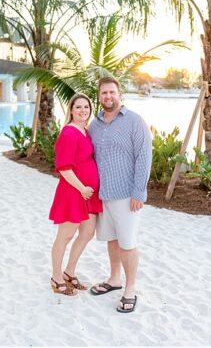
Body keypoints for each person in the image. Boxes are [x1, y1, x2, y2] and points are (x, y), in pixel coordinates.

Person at [87, 77, 152, 314]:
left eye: (112, 92)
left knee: (127, 243)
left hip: (127, 195)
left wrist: (139, 192)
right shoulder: (94, 125)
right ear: (99, 96)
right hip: (103, 195)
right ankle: (114, 279)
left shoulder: (135, 122)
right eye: (104, 93)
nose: (108, 96)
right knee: (112, 240)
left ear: (119, 94)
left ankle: (130, 288)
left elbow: (144, 158)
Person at [48, 94, 102, 297]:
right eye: (78, 107)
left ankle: (69, 272)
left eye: (86, 107)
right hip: (74, 192)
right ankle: (56, 276)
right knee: (65, 236)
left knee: (87, 233)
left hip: (89, 194)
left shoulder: (85, 131)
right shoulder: (68, 134)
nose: (83, 110)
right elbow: (64, 168)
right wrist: (82, 188)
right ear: (71, 110)